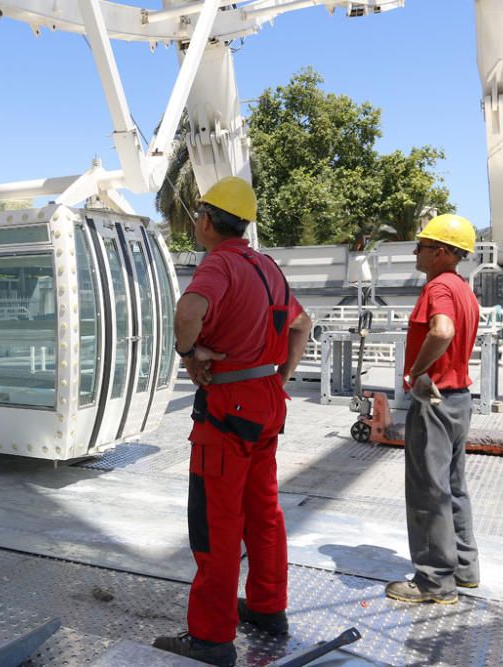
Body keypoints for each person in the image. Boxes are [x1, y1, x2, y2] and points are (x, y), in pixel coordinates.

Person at [153, 177, 312, 666]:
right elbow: (303, 325)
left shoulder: (218, 263)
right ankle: (268, 608)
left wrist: (188, 351)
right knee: (264, 512)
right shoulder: (268, 266)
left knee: (216, 525)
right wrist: (276, 376)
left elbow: (188, 312)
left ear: (205, 221)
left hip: (227, 412)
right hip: (266, 404)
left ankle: (212, 637)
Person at [385, 214, 480, 605]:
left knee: (428, 491)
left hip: (435, 400)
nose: (415, 251)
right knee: (454, 487)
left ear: (441, 252)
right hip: (459, 401)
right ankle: (464, 568)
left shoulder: (438, 287)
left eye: (422, 246)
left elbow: (442, 330)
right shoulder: (463, 289)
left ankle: (433, 582)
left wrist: (417, 371)